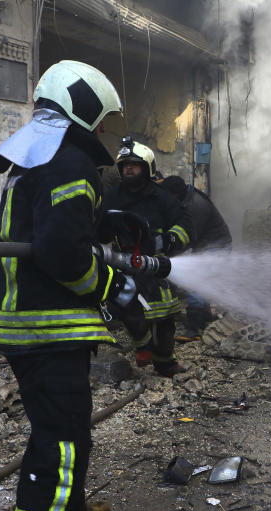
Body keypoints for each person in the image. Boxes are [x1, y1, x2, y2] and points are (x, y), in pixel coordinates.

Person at [0, 60, 149, 511]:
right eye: (101, 122)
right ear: (83, 109)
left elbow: (55, 236)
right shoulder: (69, 161)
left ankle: (72, 509)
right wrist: (113, 286)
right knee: (57, 446)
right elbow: (61, 254)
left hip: (32, 326)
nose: (102, 135)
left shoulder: (38, 156)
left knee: (70, 432)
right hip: (48, 330)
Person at [104, 139, 192, 375]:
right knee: (129, 310)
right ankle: (142, 346)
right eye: (125, 166)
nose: (129, 169)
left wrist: (171, 240)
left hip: (157, 266)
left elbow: (184, 225)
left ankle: (165, 362)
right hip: (124, 264)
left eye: (134, 165)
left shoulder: (162, 198)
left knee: (165, 319)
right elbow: (99, 226)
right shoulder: (112, 197)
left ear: (147, 168)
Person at [158, 175, 231, 340]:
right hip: (205, 245)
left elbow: (188, 238)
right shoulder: (185, 198)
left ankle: (194, 328)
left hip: (217, 247)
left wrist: (166, 257)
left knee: (195, 281)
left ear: (174, 194)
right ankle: (205, 317)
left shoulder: (195, 206)